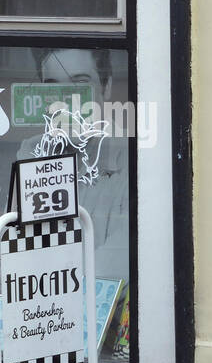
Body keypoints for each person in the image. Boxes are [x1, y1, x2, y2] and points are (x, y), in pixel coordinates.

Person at [18, 47, 129, 283]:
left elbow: (114, 268)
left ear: (106, 86)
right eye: (52, 86)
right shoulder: (32, 152)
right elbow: (20, 253)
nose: (66, 100)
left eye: (79, 84)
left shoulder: (132, 160)